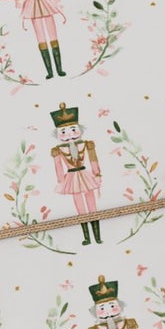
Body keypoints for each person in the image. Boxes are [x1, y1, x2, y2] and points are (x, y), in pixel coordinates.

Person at [50, 102, 102, 243]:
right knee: (79, 206)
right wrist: (61, 180)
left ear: (79, 129)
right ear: (58, 134)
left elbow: (93, 160)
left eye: (73, 129)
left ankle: (98, 236)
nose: (69, 134)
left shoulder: (86, 144)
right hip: (72, 177)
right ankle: (87, 237)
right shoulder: (58, 150)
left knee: (92, 205)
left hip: (85, 175)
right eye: (63, 131)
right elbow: (58, 167)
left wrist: (97, 174)